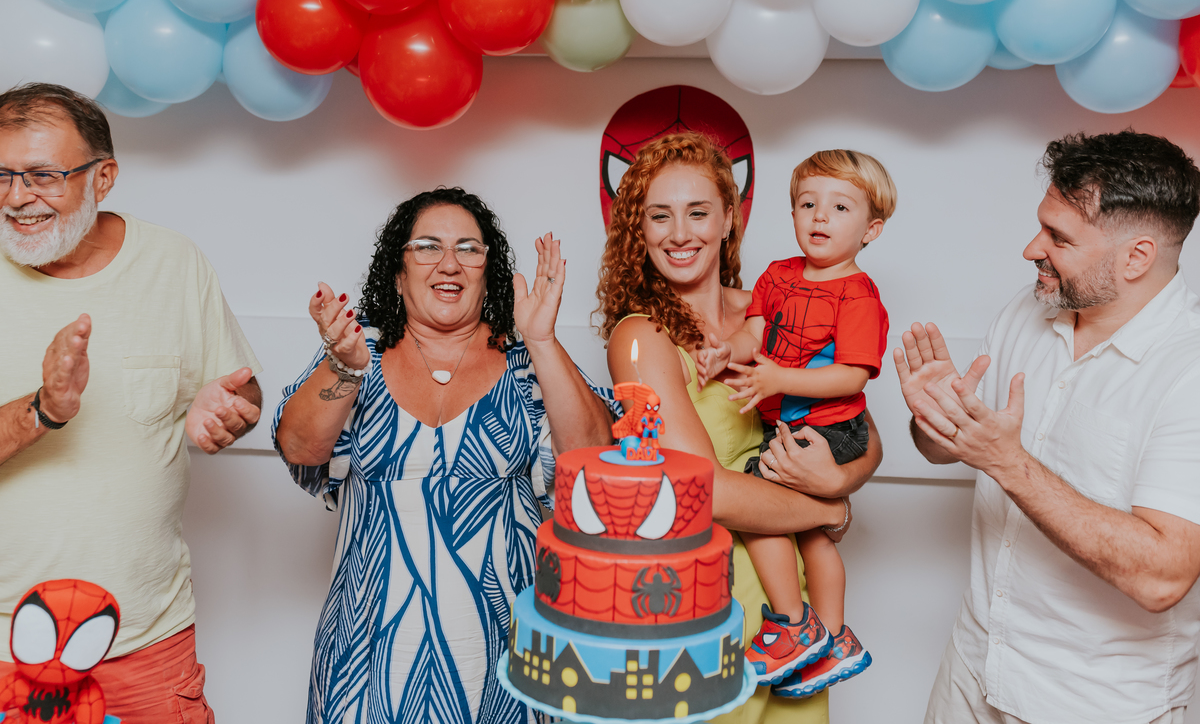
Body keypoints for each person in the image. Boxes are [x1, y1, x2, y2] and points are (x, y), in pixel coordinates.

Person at [272, 187, 618, 724]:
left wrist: (545, 340)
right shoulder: (358, 350)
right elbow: (300, 449)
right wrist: (343, 365)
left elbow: (592, 461)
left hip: (508, 668)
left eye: (470, 249)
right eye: (428, 247)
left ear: (490, 270)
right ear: (397, 270)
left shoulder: (526, 358)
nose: (449, 263)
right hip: (364, 670)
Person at [896, 131, 1200, 724]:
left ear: (1136, 257)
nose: (1032, 248)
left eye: (1059, 237)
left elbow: (1164, 576)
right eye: (1042, 225)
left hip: (1095, 703)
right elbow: (949, 447)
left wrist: (1008, 462)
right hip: (973, 667)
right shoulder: (1033, 304)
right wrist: (938, 416)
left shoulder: (1189, 369)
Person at [596, 131, 882, 724]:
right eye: (659, 216)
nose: (680, 233)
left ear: (729, 218)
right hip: (699, 601)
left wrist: (838, 477)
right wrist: (830, 510)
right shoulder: (638, 337)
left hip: (789, 611)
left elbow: (862, 430)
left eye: (698, 212)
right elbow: (705, 489)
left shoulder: (769, 308)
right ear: (638, 230)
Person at [0, 83, 262, 724]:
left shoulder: (176, 263)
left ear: (104, 177)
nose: (15, 198)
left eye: (42, 176)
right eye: (2, 175)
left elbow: (243, 389)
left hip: (148, 642)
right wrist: (43, 410)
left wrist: (225, 406)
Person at [698, 150, 894, 695]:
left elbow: (851, 377)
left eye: (839, 207)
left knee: (761, 509)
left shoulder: (859, 295)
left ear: (871, 229)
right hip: (788, 420)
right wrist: (724, 354)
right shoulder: (777, 275)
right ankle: (835, 640)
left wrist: (778, 380)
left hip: (833, 427)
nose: (819, 217)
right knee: (812, 535)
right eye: (807, 204)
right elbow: (753, 338)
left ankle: (793, 625)